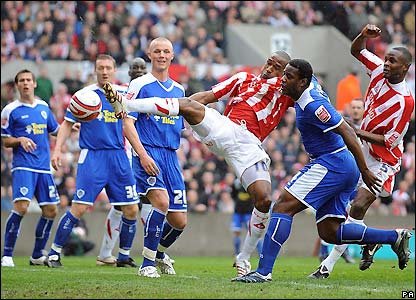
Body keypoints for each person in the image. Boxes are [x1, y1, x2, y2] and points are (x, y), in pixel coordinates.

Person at [103, 49, 294, 277]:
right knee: (188, 104)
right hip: (225, 128)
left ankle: (243, 257)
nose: (269, 68)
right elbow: (207, 96)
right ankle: (125, 104)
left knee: (263, 199)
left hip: (250, 145)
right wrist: (180, 110)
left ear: (285, 73)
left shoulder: (287, 92)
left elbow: (309, 92)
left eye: (276, 67)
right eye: (269, 62)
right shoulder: (244, 78)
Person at [232, 58, 411, 283]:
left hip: (332, 163)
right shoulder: (308, 83)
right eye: (283, 74)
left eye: (288, 77)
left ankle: (263, 271)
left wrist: (364, 170)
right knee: (330, 232)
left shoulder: (313, 105)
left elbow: (347, 131)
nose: (282, 80)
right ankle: (394, 237)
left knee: (283, 206)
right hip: (340, 165)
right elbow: (298, 68)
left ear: (302, 82)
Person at [309, 24, 415, 279]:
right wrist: (363, 37)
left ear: (405, 68)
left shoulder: (405, 102)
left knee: (357, 208)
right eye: (387, 58)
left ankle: (327, 266)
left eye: (393, 61)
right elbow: (356, 50)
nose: (386, 64)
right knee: (346, 207)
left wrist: (355, 131)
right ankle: (370, 240)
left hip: (383, 159)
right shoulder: (378, 70)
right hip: (359, 148)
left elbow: (389, 140)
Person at [44, 54, 155, 268]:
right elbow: (67, 124)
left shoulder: (123, 94)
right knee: (79, 207)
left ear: (114, 70)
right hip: (93, 156)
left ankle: (123, 255)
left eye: (108, 68)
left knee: (131, 209)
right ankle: (55, 253)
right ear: (95, 70)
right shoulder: (84, 96)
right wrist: (57, 150)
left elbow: (136, 117)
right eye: (100, 68)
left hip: (118, 156)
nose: (104, 71)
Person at [105, 37, 188, 278]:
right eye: (157, 51)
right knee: (160, 202)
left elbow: (178, 124)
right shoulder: (140, 85)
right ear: (150, 55)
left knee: (179, 221)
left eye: (166, 52)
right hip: (148, 152)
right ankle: (147, 265)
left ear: (172, 56)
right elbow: (127, 124)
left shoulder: (179, 89)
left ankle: (158, 254)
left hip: (171, 156)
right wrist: (141, 155)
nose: (162, 55)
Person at [1, 69, 60, 267]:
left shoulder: (43, 107)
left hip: (43, 167)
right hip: (23, 166)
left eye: (28, 80)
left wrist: (73, 126)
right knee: (22, 206)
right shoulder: (10, 110)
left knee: (51, 210)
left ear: (34, 84)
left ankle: (36, 255)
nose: (25, 83)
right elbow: (5, 141)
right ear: (17, 85)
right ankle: (7, 255)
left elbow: (56, 130)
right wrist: (20, 140)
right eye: (21, 81)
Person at [96, 57, 151, 267]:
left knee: (145, 201)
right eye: (134, 68)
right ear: (128, 71)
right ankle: (107, 252)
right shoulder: (119, 91)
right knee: (123, 204)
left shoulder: (149, 92)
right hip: (124, 153)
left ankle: (147, 252)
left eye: (141, 68)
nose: (138, 70)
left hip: (143, 152)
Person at [317, 98, 365, 264]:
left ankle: (340, 250)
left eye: (359, 107)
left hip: (360, 176)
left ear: (364, 110)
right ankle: (330, 251)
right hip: (343, 173)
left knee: (349, 214)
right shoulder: (341, 125)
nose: (356, 110)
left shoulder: (368, 128)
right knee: (337, 212)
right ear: (349, 109)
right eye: (354, 107)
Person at [230, 178, 263, 269]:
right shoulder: (236, 182)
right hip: (238, 211)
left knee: (255, 232)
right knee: (236, 232)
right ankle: (237, 254)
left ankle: (261, 254)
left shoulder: (252, 181)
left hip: (249, 212)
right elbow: (233, 195)